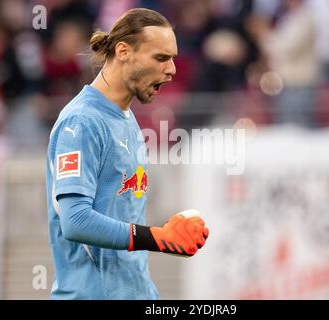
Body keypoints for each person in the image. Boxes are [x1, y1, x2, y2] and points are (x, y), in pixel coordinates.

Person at [45, 8, 210, 300]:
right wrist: (160, 237)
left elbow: (122, 215)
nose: (171, 69)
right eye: (161, 58)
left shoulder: (126, 118)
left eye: (172, 58)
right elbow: (76, 220)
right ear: (123, 51)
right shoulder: (81, 122)